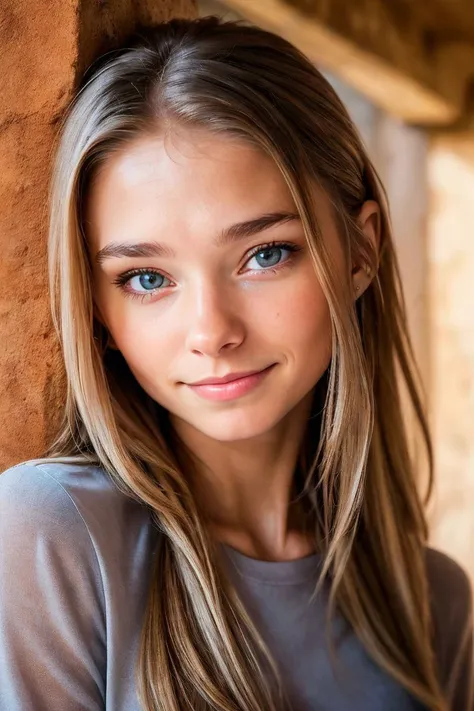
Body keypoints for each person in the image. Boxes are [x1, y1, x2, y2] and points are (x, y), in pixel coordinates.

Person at [0, 14, 472, 711]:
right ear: (98, 309)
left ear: (360, 252)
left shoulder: (432, 607)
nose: (211, 331)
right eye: (147, 278)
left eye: (264, 254)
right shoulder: (49, 537)